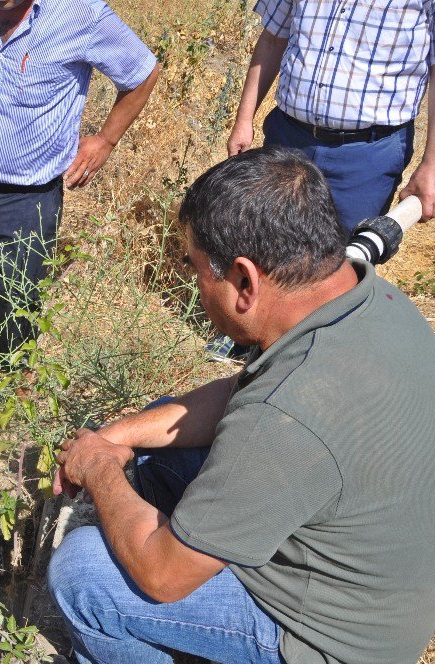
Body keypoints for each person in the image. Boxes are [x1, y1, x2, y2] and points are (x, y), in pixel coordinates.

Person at [48, 146, 435, 664]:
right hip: (382, 583)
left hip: (331, 641)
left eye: (197, 271)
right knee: (158, 441)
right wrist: (116, 436)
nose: (194, 287)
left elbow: (161, 575)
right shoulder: (377, 305)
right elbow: (243, 395)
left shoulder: (283, 421)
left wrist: (97, 466)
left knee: (82, 575)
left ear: (244, 281)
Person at [0, 0, 160, 405]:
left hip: (29, 194)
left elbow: (142, 72)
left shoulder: (81, 14)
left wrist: (105, 140)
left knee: (22, 288)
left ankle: (22, 363)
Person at [227, 0, 435, 233]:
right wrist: (243, 121)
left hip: (367, 157)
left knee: (345, 258)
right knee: (266, 242)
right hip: (288, 138)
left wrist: (432, 166)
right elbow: (273, 38)